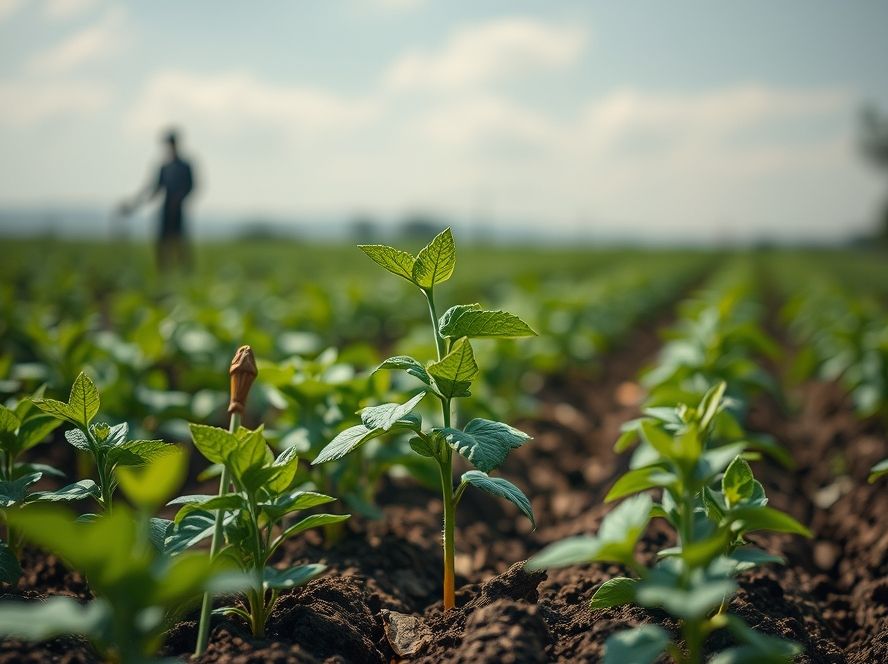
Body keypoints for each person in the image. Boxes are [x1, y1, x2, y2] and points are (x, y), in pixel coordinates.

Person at [120, 129, 196, 271]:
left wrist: (179, 199)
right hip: (166, 209)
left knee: (179, 242)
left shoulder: (185, 166)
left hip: (177, 210)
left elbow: (191, 186)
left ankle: (185, 271)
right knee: (162, 243)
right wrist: (135, 204)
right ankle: (164, 272)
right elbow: (154, 188)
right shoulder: (164, 167)